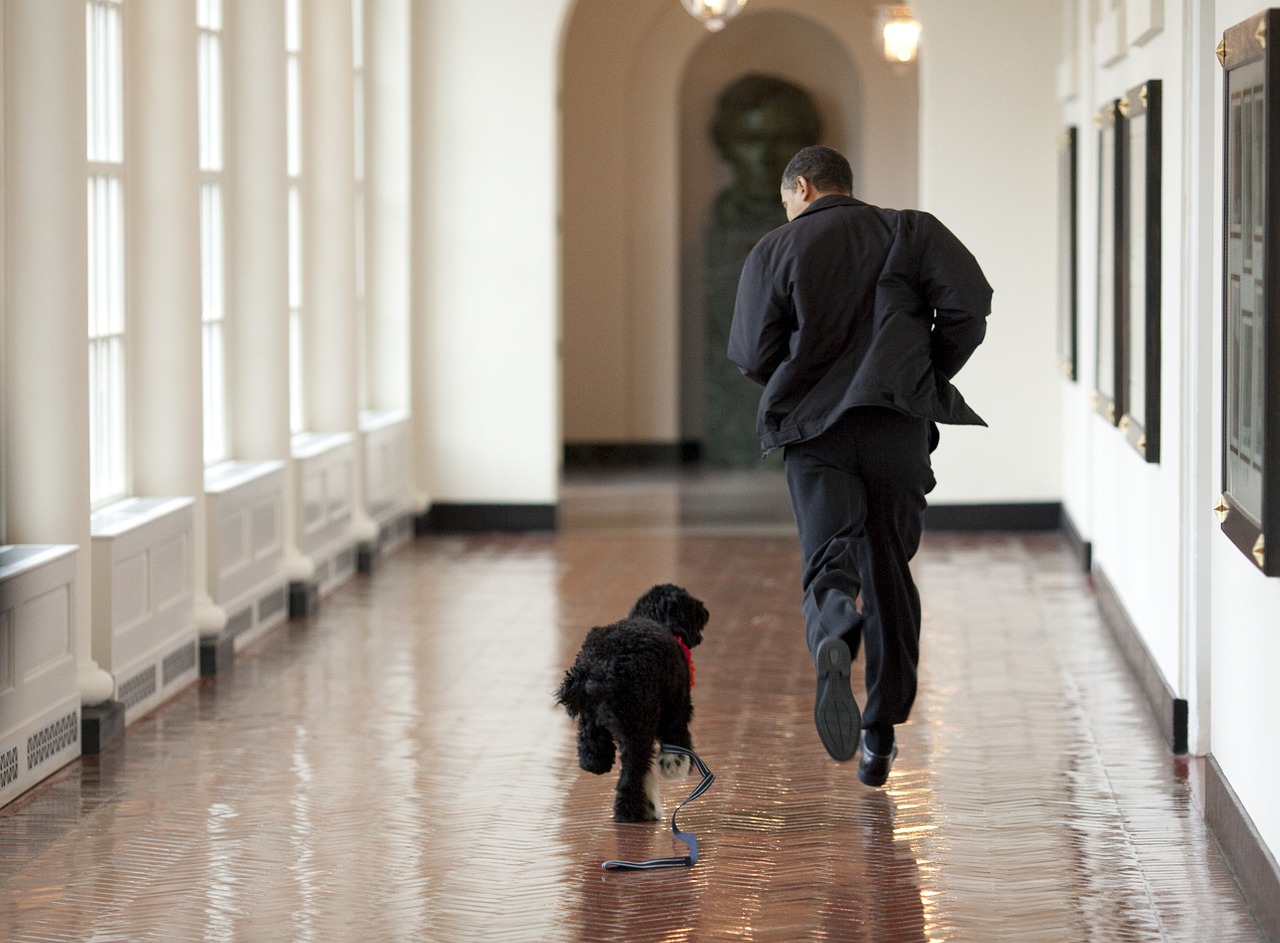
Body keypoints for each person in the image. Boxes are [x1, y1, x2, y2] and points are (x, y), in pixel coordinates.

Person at [727, 145, 991, 786]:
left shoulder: (775, 249)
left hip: (817, 432)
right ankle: (879, 732)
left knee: (830, 558)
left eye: (786, 198)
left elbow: (750, 351)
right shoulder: (910, 229)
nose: (786, 210)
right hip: (895, 426)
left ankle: (834, 631)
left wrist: (800, 375)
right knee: (889, 569)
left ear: (805, 186)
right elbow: (969, 306)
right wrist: (920, 370)